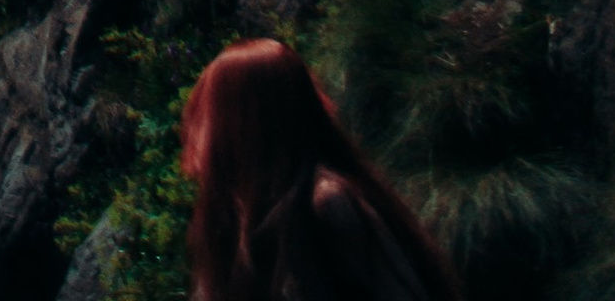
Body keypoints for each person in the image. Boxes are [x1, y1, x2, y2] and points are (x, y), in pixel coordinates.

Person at [182, 40, 459, 301]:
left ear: (242, 121)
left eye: (211, 113)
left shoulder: (326, 203)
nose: (203, 131)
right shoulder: (232, 215)